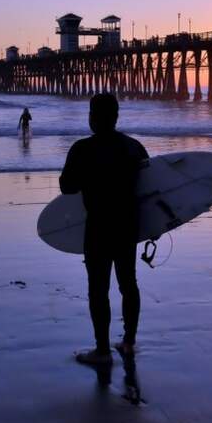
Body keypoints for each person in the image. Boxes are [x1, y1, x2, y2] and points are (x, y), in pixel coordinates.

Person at [59, 93, 149, 365]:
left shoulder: (82, 149)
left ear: (92, 118)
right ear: (116, 116)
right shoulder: (134, 147)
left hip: (98, 226)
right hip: (127, 225)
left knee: (98, 289)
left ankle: (102, 351)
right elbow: (151, 189)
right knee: (128, 283)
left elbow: (67, 187)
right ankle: (129, 343)